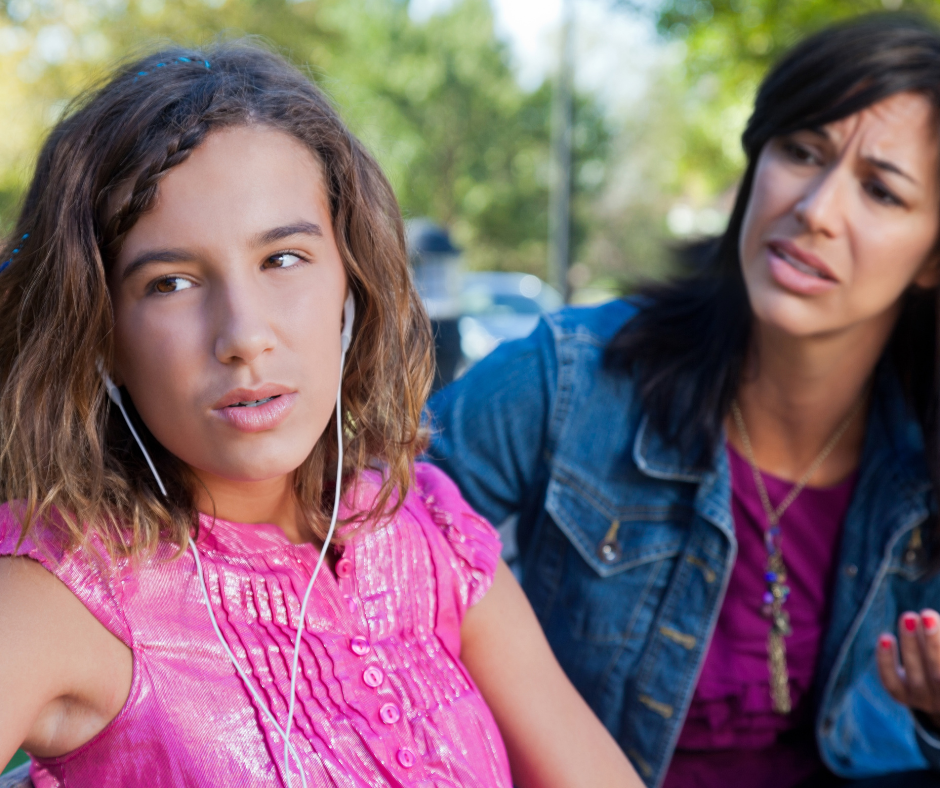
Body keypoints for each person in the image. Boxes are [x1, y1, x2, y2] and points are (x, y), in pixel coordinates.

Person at [0, 43, 641, 788]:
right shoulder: (62, 587)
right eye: (170, 282)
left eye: (283, 260)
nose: (244, 335)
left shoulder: (426, 529)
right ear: (100, 331)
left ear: (349, 279)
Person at [427, 14, 940, 788]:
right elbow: (356, 539)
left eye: (881, 191)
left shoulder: (924, 467)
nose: (818, 209)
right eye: (801, 152)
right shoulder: (572, 377)